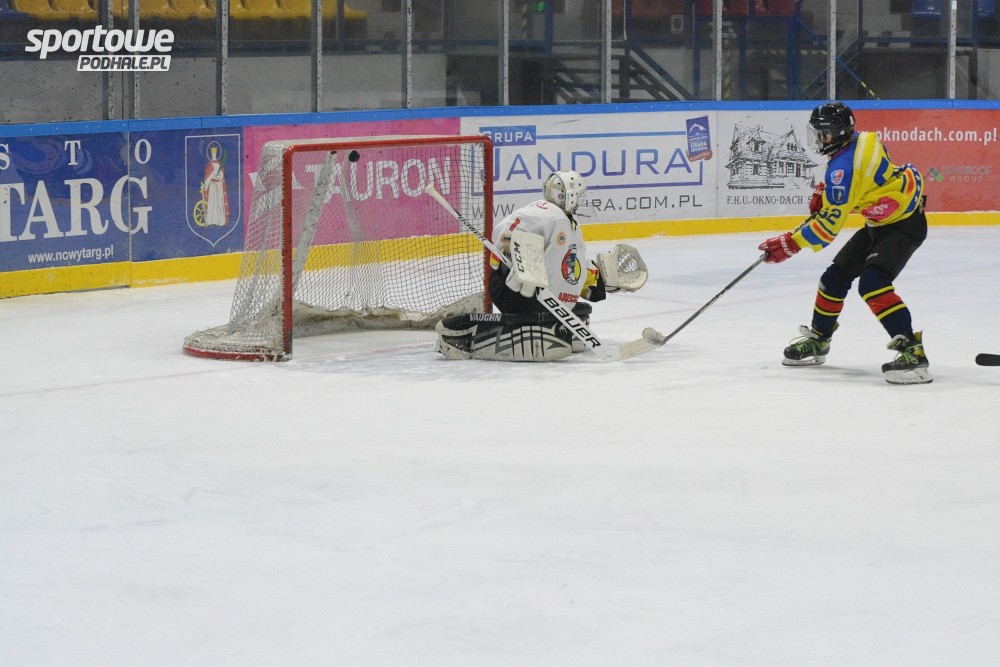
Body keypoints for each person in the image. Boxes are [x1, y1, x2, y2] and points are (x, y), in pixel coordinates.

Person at [757, 101, 932, 384]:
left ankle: (914, 352)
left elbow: (828, 227)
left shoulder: (843, 169)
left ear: (838, 132)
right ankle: (819, 340)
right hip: (881, 222)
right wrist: (830, 195)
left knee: (873, 284)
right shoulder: (860, 140)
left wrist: (791, 243)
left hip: (903, 226)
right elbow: (864, 185)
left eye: (822, 133)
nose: (818, 139)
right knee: (833, 279)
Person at [435, 170, 648, 361]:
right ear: (567, 196)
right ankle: (466, 333)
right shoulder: (546, 212)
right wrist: (520, 259)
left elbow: (571, 266)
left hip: (544, 301)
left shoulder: (572, 226)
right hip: (514, 292)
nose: (581, 200)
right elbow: (505, 230)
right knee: (551, 332)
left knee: (580, 313)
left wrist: (598, 279)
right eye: (579, 195)